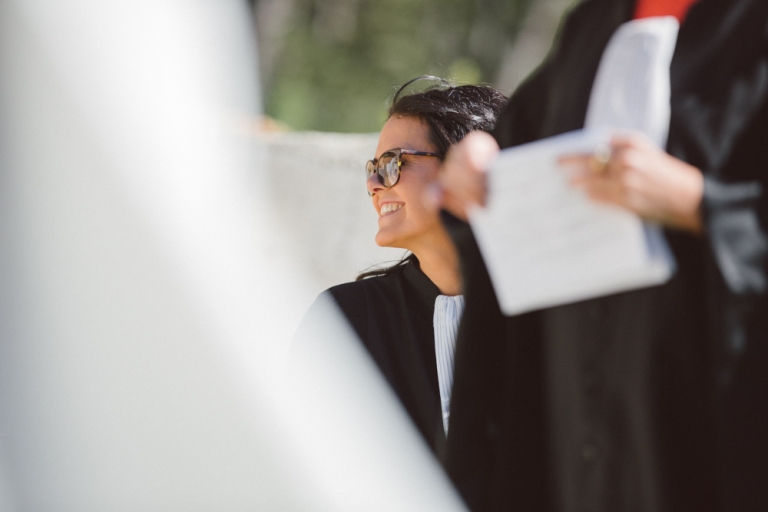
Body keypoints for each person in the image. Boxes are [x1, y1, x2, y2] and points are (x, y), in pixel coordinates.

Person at [433, 1, 768, 511]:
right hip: (580, 424)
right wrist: (477, 169)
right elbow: (513, 150)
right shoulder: (596, 24)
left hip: (711, 432)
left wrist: (701, 205)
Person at [298, 78, 506, 456]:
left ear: (464, 169)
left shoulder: (551, 314)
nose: (374, 183)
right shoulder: (345, 321)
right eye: (373, 167)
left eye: (394, 163)